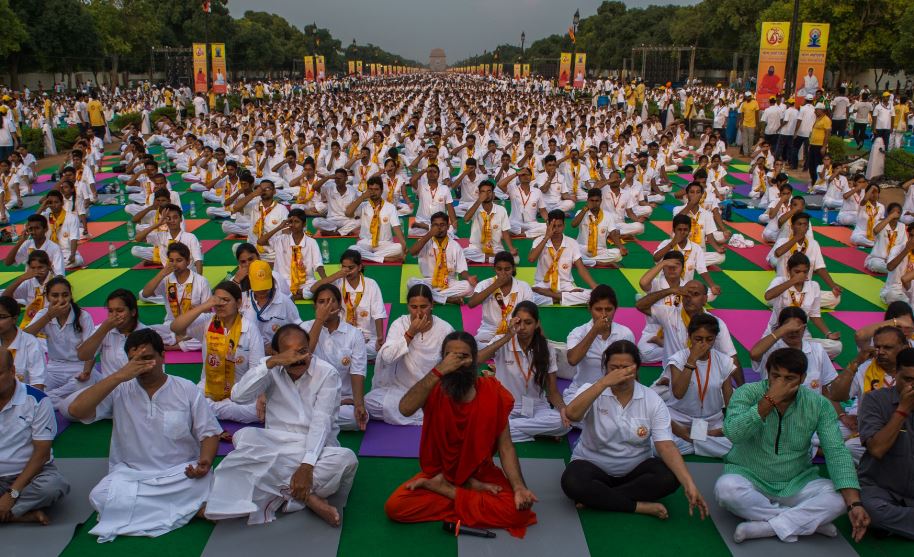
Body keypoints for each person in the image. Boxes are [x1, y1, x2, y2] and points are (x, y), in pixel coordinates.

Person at [67, 329, 221, 543]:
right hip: (132, 476)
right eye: (134, 360)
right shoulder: (120, 389)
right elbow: (76, 410)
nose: (142, 365)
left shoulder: (186, 389)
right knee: (99, 496)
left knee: (212, 482)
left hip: (180, 475)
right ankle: (191, 510)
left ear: (163, 356)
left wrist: (204, 463)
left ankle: (167, 507)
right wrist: (119, 375)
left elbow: (210, 433)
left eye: (148, 358)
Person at [384, 331, 538, 537]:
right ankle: (468, 495)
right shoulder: (434, 386)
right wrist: (438, 371)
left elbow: (506, 445)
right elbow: (404, 409)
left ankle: (448, 491)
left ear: (474, 359)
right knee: (396, 507)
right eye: (449, 356)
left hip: (480, 474)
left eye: (463, 356)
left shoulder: (493, 392)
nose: (455, 362)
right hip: (439, 472)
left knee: (519, 513)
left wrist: (518, 487)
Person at [205, 325, 358, 527]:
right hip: (275, 444)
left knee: (346, 459)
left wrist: (306, 465)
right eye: (290, 353)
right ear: (276, 354)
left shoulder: (327, 373)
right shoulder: (270, 367)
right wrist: (271, 363)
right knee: (242, 436)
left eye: (303, 351)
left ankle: (272, 486)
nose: (299, 358)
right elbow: (238, 397)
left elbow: (322, 423)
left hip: (315, 449)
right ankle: (306, 497)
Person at [713, 347, 871, 544]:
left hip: (797, 482)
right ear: (767, 373)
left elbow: (836, 452)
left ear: (803, 378)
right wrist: (768, 401)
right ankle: (804, 522)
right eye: (775, 376)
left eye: (789, 378)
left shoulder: (818, 404)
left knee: (839, 500)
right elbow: (734, 433)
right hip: (749, 475)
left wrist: (854, 503)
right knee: (726, 489)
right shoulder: (747, 393)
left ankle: (766, 526)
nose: (780, 384)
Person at [561, 340, 709, 519]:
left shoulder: (651, 399)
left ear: (637, 368)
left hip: (635, 470)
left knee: (669, 477)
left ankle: (599, 497)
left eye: (626, 368)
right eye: (614, 368)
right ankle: (637, 506)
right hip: (592, 465)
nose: (620, 373)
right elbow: (572, 415)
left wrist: (689, 484)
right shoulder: (590, 390)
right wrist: (602, 384)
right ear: (605, 368)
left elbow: (666, 446)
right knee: (572, 482)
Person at [170, 281, 265, 423]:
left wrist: (261, 395)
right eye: (217, 300)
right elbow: (176, 327)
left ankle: (208, 409)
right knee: (184, 400)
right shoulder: (207, 322)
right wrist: (205, 306)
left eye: (226, 300)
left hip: (239, 391)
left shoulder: (250, 329)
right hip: (209, 387)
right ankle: (217, 408)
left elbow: (257, 370)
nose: (220, 305)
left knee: (256, 412)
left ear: (239, 303)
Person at [478, 301, 571, 442]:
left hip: (537, 407)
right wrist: (507, 337)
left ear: (537, 324)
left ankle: (503, 431)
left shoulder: (546, 348)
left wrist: (563, 409)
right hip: (505, 406)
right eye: (518, 322)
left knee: (563, 424)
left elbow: (553, 391)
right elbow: (478, 359)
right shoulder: (502, 341)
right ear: (512, 321)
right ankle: (538, 433)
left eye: (528, 323)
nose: (522, 327)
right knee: (486, 422)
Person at [366, 284, 454, 425]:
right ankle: (432, 415)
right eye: (414, 307)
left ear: (432, 305)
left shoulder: (445, 329)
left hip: (432, 392)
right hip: (402, 391)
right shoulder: (399, 324)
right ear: (408, 306)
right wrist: (410, 334)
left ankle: (425, 412)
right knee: (369, 403)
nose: (418, 312)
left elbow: (452, 365)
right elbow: (387, 358)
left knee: (453, 400)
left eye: (423, 306)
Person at [0, 347, 70, 526]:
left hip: (30, 475)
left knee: (52, 487)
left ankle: (10, 510)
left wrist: (13, 493)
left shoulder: (37, 400)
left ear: (12, 371)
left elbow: (42, 454)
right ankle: (19, 515)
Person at [657, 314, 736, 457]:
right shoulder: (678, 359)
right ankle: (703, 444)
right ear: (689, 336)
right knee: (655, 446)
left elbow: (730, 402)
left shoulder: (724, 361)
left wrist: (723, 430)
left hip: (711, 424)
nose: (703, 344)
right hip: (679, 421)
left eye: (709, 339)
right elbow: (678, 393)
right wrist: (692, 360)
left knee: (736, 446)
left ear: (715, 338)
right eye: (698, 339)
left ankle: (693, 443)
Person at [857, 346, 914, 539]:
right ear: (895, 374)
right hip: (881, 487)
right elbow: (877, 449)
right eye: (908, 380)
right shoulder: (875, 400)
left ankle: (898, 525)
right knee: (872, 511)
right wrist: (902, 411)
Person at [301, 284, 369, 431]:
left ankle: (311, 423)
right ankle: (317, 420)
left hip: (342, 400)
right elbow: (304, 357)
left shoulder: (354, 334)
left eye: (331, 301)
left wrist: (358, 404)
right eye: (321, 302)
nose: (327, 305)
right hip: (311, 397)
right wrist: (319, 320)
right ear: (314, 306)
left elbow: (357, 372)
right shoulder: (304, 328)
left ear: (339, 304)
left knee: (354, 419)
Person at [22, 277, 95, 409]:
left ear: (71, 296)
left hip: (79, 367)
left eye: (65, 295)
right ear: (48, 297)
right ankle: (61, 401)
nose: (60, 300)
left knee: (86, 383)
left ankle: (45, 400)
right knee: (29, 383)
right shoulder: (44, 314)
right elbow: (24, 337)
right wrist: (49, 316)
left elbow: (91, 351)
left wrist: (87, 372)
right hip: (54, 368)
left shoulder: (83, 316)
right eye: (55, 295)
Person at [564, 286, 636, 404]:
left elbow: (632, 369)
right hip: (583, 391)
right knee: (570, 417)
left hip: (616, 393)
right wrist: (594, 331)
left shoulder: (625, 333)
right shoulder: (577, 333)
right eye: (598, 309)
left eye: (608, 309)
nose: (603, 315)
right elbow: (572, 360)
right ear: (589, 309)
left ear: (615, 309)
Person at [310, 249, 387, 359]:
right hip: (343, 333)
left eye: (351, 268)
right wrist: (336, 275)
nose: (347, 272)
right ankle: (346, 354)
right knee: (339, 349)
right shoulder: (338, 283)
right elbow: (313, 289)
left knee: (375, 351)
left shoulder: (371, 284)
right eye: (344, 267)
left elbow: (378, 314)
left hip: (367, 337)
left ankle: (341, 354)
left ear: (360, 267)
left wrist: (380, 338)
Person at [763, 253, 842, 358]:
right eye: (797, 272)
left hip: (801, 335)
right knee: (766, 352)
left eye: (805, 272)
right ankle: (803, 356)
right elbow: (768, 296)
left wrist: (828, 334)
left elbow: (814, 314)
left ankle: (798, 355)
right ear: (788, 269)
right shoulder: (780, 281)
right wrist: (793, 281)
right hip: (778, 332)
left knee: (836, 346)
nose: (801, 275)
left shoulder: (814, 286)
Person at [466, 251, 535, 347]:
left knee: (527, 345)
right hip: (489, 329)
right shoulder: (485, 284)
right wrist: (495, 285)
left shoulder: (523, 286)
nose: (503, 273)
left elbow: (531, 312)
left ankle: (496, 349)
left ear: (513, 268)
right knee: (473, 346)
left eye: (507, 269)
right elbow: (471, 304)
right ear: (494, 269)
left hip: (515, 328)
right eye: (499, 269)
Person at [529, 210, 598, 306]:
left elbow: (581, 268)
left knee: (591, 295)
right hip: (543, 285)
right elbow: (531, 259)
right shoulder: (539, 241)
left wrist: (595, 287)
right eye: (553, 226)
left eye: (559, 226)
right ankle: (563, 298)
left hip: (565, 286)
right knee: (527, 298)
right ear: (547, 225)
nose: (556, 230)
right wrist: (546, 237)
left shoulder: (572, 243)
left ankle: (554, 297)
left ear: (564, 225)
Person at [406, 212, 476, 304]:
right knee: (411, 282)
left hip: (449, 281)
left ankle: (431, 296)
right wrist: (429, 234)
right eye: (435, 225)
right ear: (431, 227)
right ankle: (447, 299)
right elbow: (412, 252)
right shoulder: (426, 241)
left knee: (469, 287)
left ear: (448, 227)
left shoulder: (455, 246)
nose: (439, 228)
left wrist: (469, 277)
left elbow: (462, 270)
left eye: (442, 225)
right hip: (429, 281)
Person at [240, 260, 301, 351]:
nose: (262, 291)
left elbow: (298, 326)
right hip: (250, 351)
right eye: (258, 288)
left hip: (279, 351)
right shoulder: (243, 299)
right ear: (250, 281)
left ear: (272, 280)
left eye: (265, 287)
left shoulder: (284, 301)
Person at [345, 176, 406, 263]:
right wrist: (362, 197)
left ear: (381, 191)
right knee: (352, 249)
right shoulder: (363, 205)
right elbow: (348, 213)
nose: (373, 192)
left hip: (384, 243)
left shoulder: (390, 207)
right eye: (370, 189)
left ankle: (370, 257)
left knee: (399, 248)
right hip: (366, 242)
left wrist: (403, 243)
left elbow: (396, 227)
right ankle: (384, 258)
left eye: (376, 189)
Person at [0, 296, 46, 390]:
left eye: (2, 317)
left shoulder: (31, 344)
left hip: (25, 400)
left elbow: (38, 384)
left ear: (14, 319)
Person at [571, 188, 625, 266]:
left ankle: (585, 261)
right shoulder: (581, 212)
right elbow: (573, 225)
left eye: (597, 201)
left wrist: (621, 247)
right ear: (587, 201)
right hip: (582, 248)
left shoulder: (608, 215)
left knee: (617, 254)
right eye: (591, 201)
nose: (594, 203)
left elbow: (613, 234)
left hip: (600, 250)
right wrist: (585, 209)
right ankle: (600, 262)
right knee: (571, 251)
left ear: (601, 201)